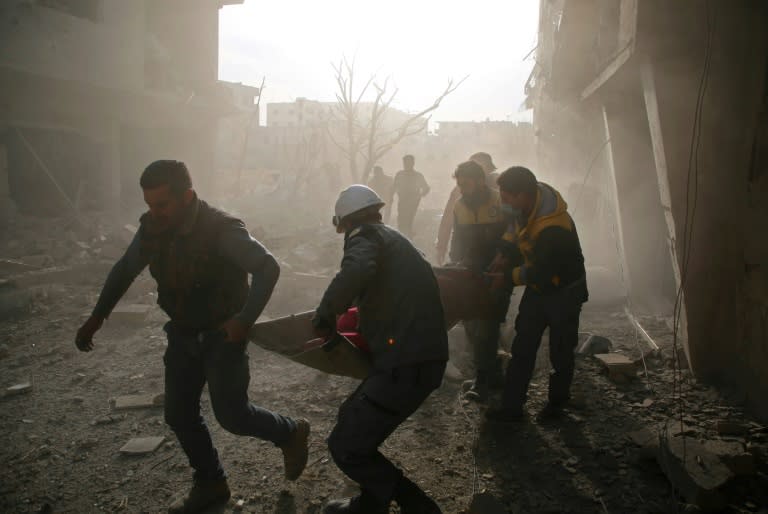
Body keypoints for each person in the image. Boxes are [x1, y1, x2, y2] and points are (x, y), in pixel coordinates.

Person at [75, 160, 310, 513]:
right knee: (179, 414)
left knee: (233, 416)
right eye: (149, 205)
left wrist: (245, 320)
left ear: (186, 197)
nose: (154, 213)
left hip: (222, 335)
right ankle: (211, 483)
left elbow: (267, 267)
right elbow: (126, 268)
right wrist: (98, 316)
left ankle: (290, 432)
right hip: (183, 333)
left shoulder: (221, 229)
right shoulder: (154, 227)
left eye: (162, 205)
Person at [313, 184, 447, 514]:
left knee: (345, 444)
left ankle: (418, 507)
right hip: (417, 358)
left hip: (407, 363)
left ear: (346, 222)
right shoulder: (395, 241)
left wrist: (326, 312)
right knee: (353, 424)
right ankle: (373, 503)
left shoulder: (366, 236)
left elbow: (357, 269)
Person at [485, 166, 588, 423]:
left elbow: (540, 272)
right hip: (539, 289)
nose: (504, 203)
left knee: (560, 351)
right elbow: (513, 229)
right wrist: (503, 254)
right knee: (523, 347)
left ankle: (556, 405)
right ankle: (511, 407)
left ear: (523, 195)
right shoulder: (527, 205)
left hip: (563, 291)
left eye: (508, 198)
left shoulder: (555, 227)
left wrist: (506, 278)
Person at [448, 161, 508, 401]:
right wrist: (455, 262)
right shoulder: (459, 206)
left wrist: (505, 264)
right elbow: (457, 239)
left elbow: (513, 235)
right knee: (472, 326)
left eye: (466, 184)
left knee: (487, 326)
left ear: (481, 181)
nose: (462, 189)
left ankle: (484, 381)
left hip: (497, 272)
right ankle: (491, 374)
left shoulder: (499, 201)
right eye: (459, 184)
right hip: (471, 273)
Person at [436, 152, 498, 265]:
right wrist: (442, 247)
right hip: (468, 261)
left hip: (496, 262)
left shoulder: (500, 196)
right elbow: (450, 225)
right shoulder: (458, 199)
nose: (463, 190)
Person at [392, 154, 430, 237]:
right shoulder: (399, 174)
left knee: (409, 219)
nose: (406, 164)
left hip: (413, 202)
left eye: (408, 162)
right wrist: (392, 196)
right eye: (405, 163)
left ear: (413, 163)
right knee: (401, 220)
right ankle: (403, 236)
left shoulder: (418, 175)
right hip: (402, 201)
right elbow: (393, 186)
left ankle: (407, 236)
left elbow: (426, 188)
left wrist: (420, 196)